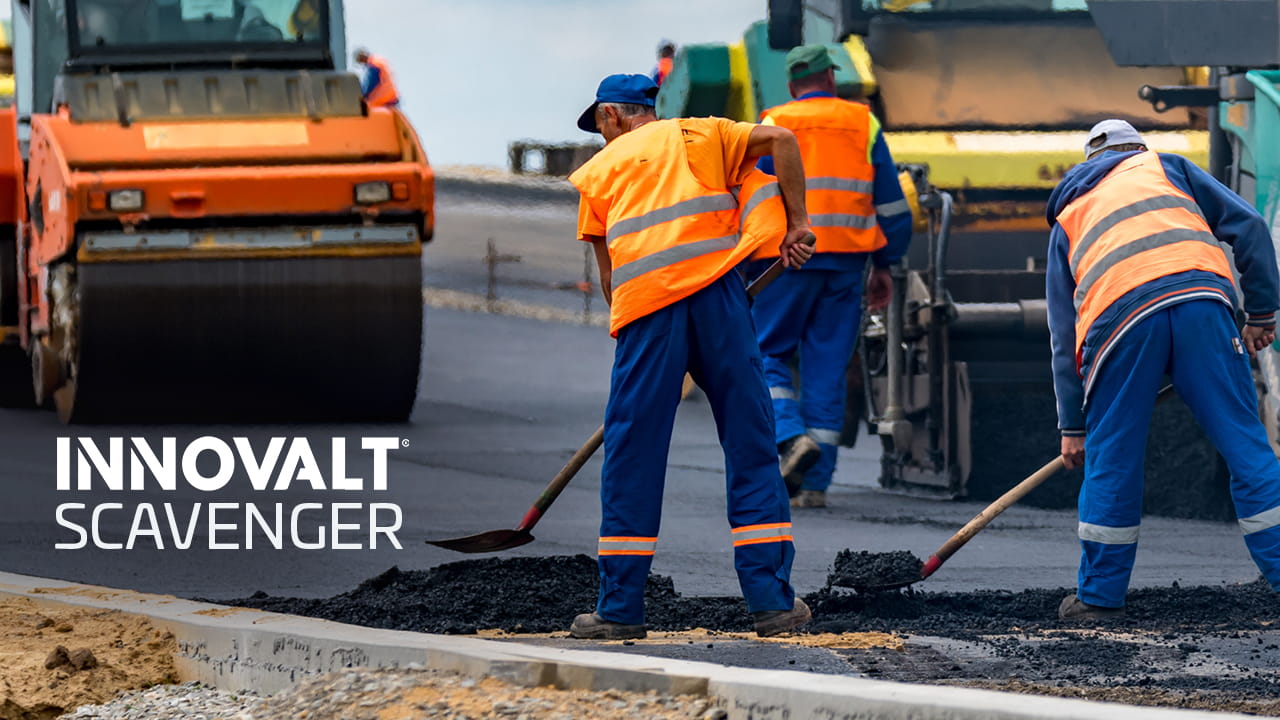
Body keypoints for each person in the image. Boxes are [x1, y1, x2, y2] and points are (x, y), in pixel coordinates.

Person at [566, 73, 815, 639]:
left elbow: (610, 281)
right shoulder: (702, 135)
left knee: (633, 452)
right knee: (752, 444)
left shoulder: (598, 174)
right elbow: (783, 142)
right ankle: (773, 604)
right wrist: (797, 222)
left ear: (611, 116)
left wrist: (648, 348)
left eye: (601, 126)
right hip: (721, 299)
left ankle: (620, 609)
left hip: (648, 313)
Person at [1047, 119, 1280, 620]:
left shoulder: (1070, 211)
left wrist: (1073, 426)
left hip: (1120, 324)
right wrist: (1261, 314)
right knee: (1246, 446)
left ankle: (1099, 599)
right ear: (1138, 150)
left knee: (1113, 458)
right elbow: (1252, 229)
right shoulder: (1169, 169)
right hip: (1202, 305)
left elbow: (1064, 336)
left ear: (1089, 163)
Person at [750, 45, 912, 508]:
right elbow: (892, 207)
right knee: (827, 368)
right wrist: (886, 263)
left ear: (791, 85)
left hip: (786, 260)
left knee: (764, 352)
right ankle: (815, 486)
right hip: (846, 264)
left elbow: (755, 195)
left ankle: (789, 437)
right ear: (831, 79)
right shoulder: (864, 122)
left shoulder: (773, 119)